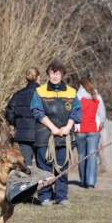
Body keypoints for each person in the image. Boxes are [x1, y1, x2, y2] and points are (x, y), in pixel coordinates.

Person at [31, 59, 82, 206]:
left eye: (57, 73)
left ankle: (62, 197)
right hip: (44, 136)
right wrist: (52, 127)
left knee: (62, 168)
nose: (55, 76)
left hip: (65, 136)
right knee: (44, 169)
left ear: (62, 74)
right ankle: (45, 196)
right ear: (48, 73)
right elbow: (37, 111)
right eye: (52, 73)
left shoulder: (72, 92)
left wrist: (68, 127)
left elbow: (76, 111)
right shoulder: (39, 91)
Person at [5, 67, 41, 166]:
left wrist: (18, 124)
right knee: (42, 167)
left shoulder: (18, 94)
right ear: (38, 77)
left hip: (22, 135)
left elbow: (9, 113)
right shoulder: (42, 93)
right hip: (39, 134)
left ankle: (28, 181)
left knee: (26, 167)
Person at [75, 77, 106, 189]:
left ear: (81, 85)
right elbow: (102, 115)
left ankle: (83, 180)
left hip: (80, 130)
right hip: (94, 130)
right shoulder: (97, 97)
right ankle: (91, 182)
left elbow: (74, 113)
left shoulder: (77, 97)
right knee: (92, 155)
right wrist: (100, 125)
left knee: (82, 155)